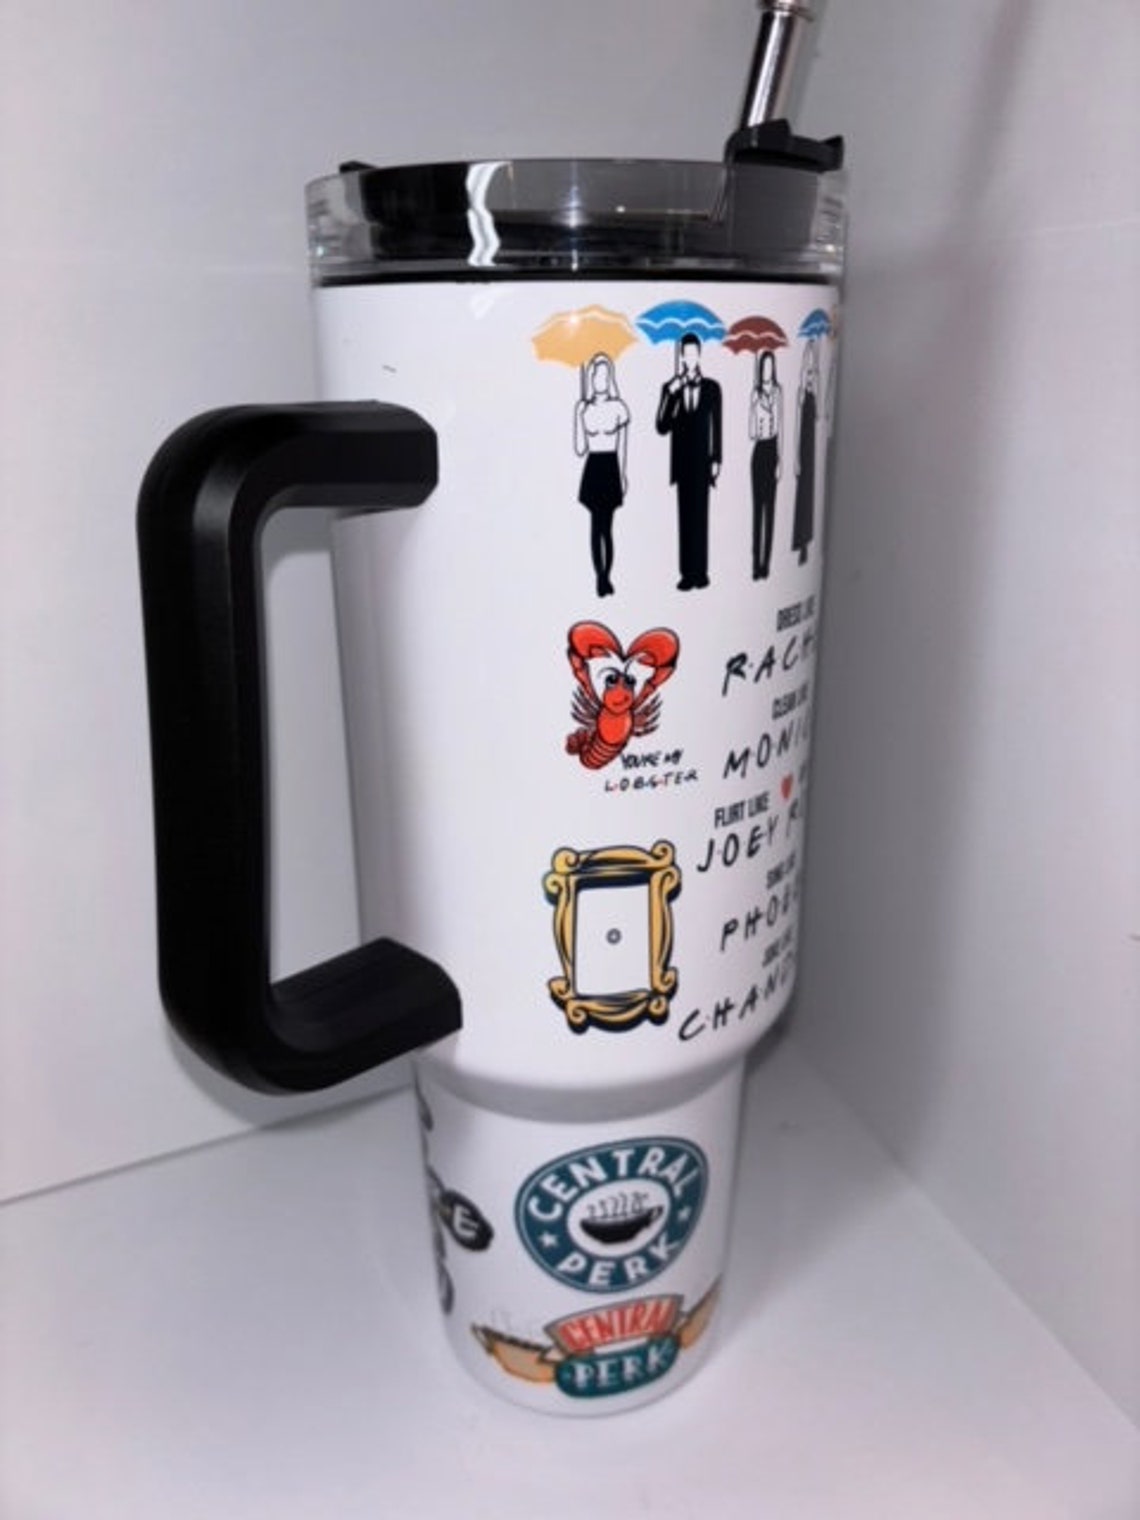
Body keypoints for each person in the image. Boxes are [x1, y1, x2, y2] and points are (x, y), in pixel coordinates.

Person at [655, 333, 722, 590]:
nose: (691, 358)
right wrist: (670, 394)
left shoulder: (712, 388)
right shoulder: (671, 388)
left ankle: (701, 572)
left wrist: (716, 458)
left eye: (695, 353)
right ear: (682, 356)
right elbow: (662, 426)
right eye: (687, 353)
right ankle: (686, 573)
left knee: (701, 516)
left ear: (699, 355)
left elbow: (717, 425)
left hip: (702, 461)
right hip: (683, 463)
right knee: (685, 517)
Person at [574, 353, 630, 597]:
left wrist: (624, 473)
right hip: (593, 467)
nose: (601, 380)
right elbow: (580, 448)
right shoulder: (584, 409)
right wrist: (578, 415)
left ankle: (606, 576)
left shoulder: (619, 407)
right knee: (596, 526)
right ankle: (600, 577)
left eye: (605, 375)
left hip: (610, 467)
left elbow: (624, 445)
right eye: (597, 375)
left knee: (607, 527)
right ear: (591, 377)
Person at [748, 350, 783, 579]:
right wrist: (754, 406)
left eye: (770, 367)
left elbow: (781, 427)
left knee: (770, 510)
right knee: (757, 510)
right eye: (764, 367)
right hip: (758, 451)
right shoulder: (755, 394)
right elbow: (751, 433)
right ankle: (755, 565)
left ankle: (766, 565)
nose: (767, 371)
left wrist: (781, 460)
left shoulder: (778, 393)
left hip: (772, 450)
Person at [792, 337, 821, 565]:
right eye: (807, 373)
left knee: (808, 498)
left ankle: (805, 545)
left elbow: (818, 419)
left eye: (813, 373)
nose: (810, 377)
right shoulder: (801, 397)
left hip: (811, 453)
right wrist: (794, 458)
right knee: (801, 498)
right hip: (803, 452)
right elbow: (795, 429)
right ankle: (800, 543)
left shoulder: (813, 398)